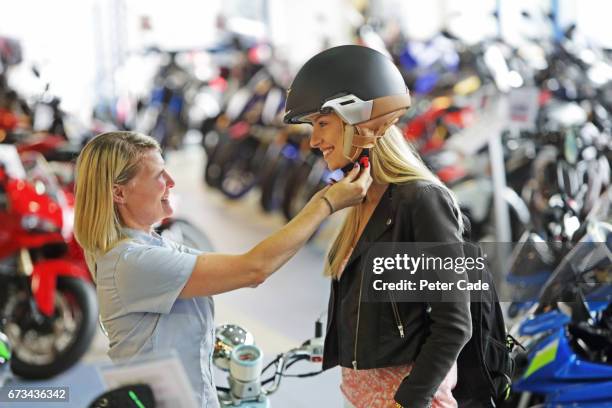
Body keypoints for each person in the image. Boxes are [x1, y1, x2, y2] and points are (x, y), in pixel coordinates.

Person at [72, 130, 371, 408]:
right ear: (119, 193)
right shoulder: (133, 262)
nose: (171, 181)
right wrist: (326, 202)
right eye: (158, 175)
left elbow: (248, 263)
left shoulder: (152, 245)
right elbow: (254, 268)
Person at [284, 45, 472, 408]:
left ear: (360, 121)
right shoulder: (360, 197)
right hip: (362, 397)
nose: (314, 141)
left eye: (322, 124)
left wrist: (408, 400)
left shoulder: (422, 200)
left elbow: (454, 323)